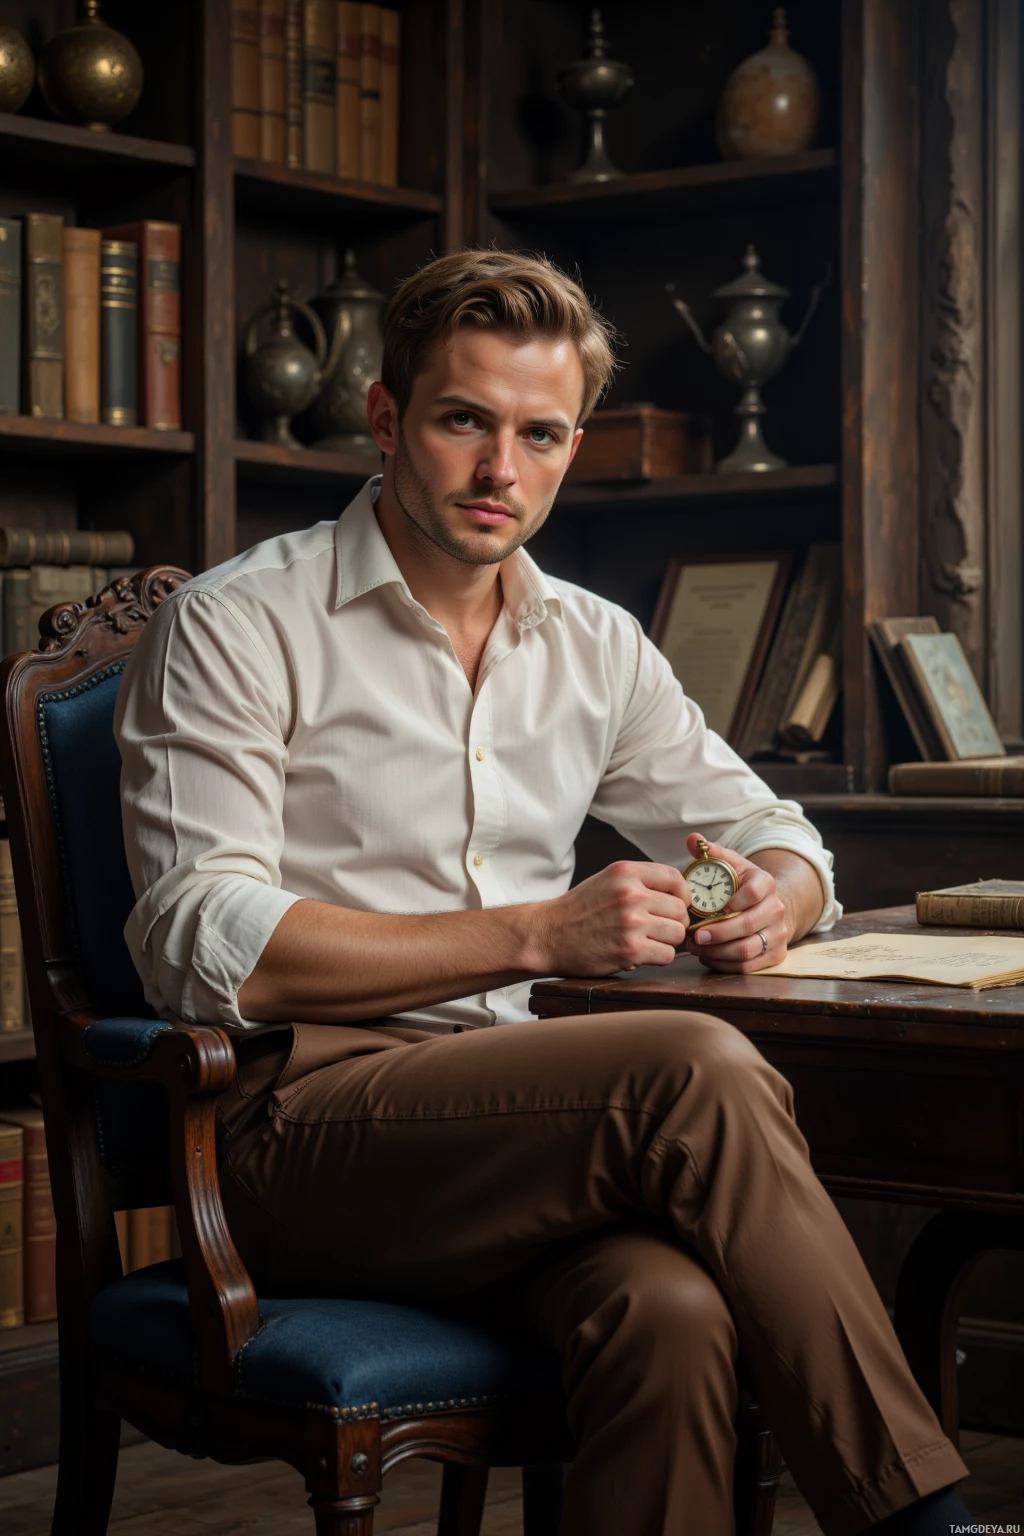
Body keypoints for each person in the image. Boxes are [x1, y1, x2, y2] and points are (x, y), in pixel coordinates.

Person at [115, 250, 974, 1536]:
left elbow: (770, 826)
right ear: (390, 420)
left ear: (573, 445)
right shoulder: (242, 624)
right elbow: (200, 943)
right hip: (286, 1127)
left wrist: (779, 896)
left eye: (539, 433)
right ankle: (924, 1526)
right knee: (694, 1067)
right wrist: (537, 931)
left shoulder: (594, 642)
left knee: (672, 1317)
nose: (498, 470)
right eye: (465, 420)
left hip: (522, 1130)